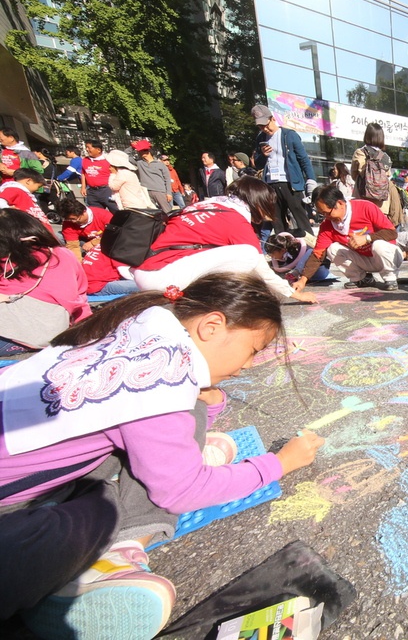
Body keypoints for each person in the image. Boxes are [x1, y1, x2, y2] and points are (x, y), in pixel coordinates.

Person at [0, 272, 326, 638]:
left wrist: (207, 413)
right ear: (212, 325)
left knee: (188, 411)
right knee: (99, 511)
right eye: (253, 350)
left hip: (32, 477)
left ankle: (186, 459)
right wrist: (278, 464)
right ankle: (116, 553)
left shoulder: (144, 330)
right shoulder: (162, 375)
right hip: (15, 508)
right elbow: (180, 491)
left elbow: (169, 415)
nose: (249, 364)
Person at [131, 177, 317, 304]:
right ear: (258, 201)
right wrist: (294, 294)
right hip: (164, 277)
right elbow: (261, 268)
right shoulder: (234, 220)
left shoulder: (206, 205)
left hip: (148, 268)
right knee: (249, 254)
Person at [0, 209, 90, 355]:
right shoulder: (61, 254)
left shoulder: (7, 258)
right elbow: (78, 296)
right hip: (49, 330)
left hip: (13, 329)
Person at [294, 184, 402, 291]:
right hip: (365, 261)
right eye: (322, 214)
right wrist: (303, 280)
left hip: (388, 257)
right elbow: (318, 254)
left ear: (340, 203)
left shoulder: (365, 207)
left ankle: (390, 277)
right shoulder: (327, 225)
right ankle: (361, 278)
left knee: (379, 245)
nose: (327, 218)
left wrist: (367, 238)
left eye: (327, 213)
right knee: (333, 249)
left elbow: (392, 233)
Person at [251, 105, 316, 238]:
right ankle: (285, 254)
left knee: (301, 218)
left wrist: (311, 179)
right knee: (277, 222)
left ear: (272, 119)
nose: (265, 128)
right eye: (260, 126)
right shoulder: (260, 138)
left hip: (290, 183)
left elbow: (303, 159)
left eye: (266, 124)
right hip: (270, 184)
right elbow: (258, 165)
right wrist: (262, 155)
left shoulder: (289, 135)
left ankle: (311, 251)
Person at [350, 123, 396, 221]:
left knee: (362, 230)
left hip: (362, 200)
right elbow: (387, 177)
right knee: (378, 231)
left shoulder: (360, 152)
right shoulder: (386, 157)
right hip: (381, 203)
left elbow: (354, 174)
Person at [264, 232, 333, 284]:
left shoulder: (298, 249)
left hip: (319, 271)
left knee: (309, 252)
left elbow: (312, 253)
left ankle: (296, 273)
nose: (272, 257)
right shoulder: (283, 256)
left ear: (282, 250)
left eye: (272, 254)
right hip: (308, 275)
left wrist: (296, 272)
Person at [0, 168, 54, 232]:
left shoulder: (23, 193)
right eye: (38, 186)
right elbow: (1, 201)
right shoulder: (14, 189)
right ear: (28, 181)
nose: (37, 189)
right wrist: (8, 209)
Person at [131, 139, 172, 211]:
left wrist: (169, 193)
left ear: (148, 151)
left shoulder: (160, 164)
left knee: (167, 211)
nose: (140, 153)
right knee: (151, 213)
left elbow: (167, 179)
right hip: (146, 192)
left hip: (160, 191)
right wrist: (132, 147)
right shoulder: (139, 163)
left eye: (142, 151)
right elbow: (126, 156)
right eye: (139, 151)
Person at [81, 139, 119, 214]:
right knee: (96, 212)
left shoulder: (108, 160)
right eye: (86, 147)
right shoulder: (85, 160)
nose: (87, 150)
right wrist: (83, 187)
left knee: (115, 210)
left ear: (98, 149)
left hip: (106, 190)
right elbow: (83, 173)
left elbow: (115, 174)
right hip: (92, 191)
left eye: (89, 147)